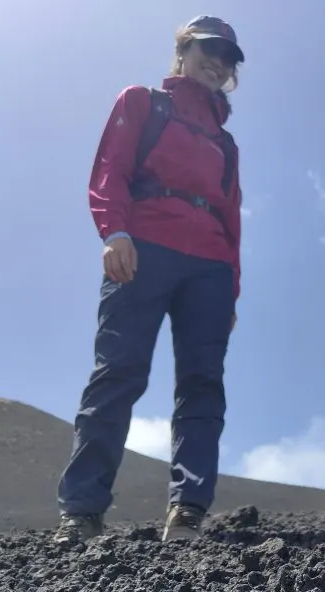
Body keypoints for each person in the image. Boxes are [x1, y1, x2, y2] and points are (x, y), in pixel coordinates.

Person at [54, 16, 246, 545]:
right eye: (210, 49)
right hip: (143, 248)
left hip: (208, 266)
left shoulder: (227, 145)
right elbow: (110, 168)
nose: (219, 63)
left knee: (203, 383)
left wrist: (230, 289)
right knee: (118, 372)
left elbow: (232, 221)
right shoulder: (143, 102)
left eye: (229, 57)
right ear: (183, 49)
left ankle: (188, 512)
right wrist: (114, 231)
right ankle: (83, 511)